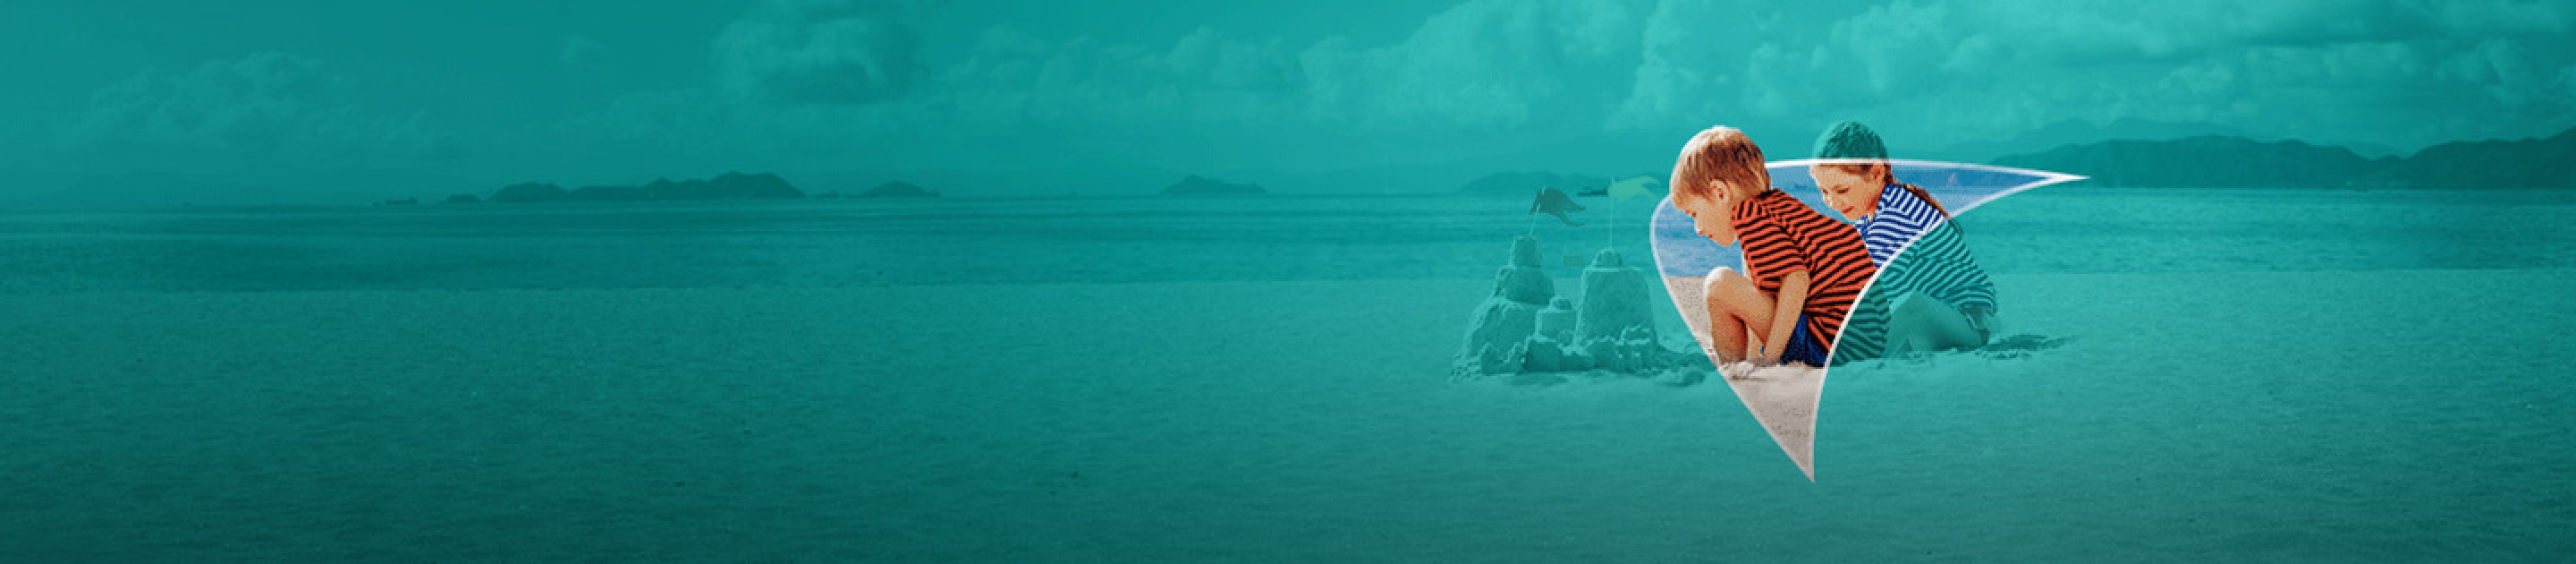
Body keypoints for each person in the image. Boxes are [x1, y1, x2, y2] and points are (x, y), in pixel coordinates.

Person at [1668, 126, 1877, 368]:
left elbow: (1796, 279)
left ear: (1720, 192)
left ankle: (1730, 367)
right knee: (1748, 288)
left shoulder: (1749, 214)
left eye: (1694, 213)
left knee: (1720, 285)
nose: (1698, 229)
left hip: (1830, 346)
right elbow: (1766, 294)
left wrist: (1770, 358)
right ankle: (1749, 361)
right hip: (1862, 343)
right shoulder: (1778, 207)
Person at [1807, 120, 1998, 360]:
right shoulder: (1869, 218)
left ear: (1876, 173)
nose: (1833, 203)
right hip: (1937, 326)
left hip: (1971, 324)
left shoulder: (1898, 214)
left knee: (1913, 306)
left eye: (1841, 191)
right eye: (1824, 192)